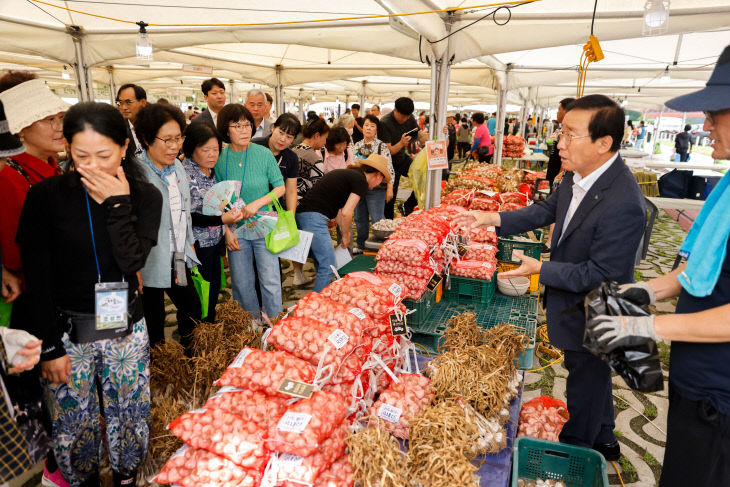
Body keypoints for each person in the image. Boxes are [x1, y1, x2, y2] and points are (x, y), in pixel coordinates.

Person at [455, 94, 646, 461]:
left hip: (596, 308)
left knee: (584, 384)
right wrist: (492, 219)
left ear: (603, 143)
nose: (559, 143)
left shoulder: (623, 202)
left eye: (570, 135)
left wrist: (541, 268)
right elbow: (546, 209)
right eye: (562, 132)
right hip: (575, 299)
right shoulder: (579, 175)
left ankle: (576, 454)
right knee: (590, 372)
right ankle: (605, 437)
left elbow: (601, 273)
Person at [585, 45, 730, 487]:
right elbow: (699, 272)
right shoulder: (726, 190)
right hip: (697, 383)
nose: (705, 125)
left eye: (716, 113)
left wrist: (646, 329)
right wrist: (642, 294)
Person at [16, 101, 162, 487]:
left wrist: (118, 204)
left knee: (130, 416)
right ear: (67, 149)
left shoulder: (146, 196)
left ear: (124, 148)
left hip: (126, 329)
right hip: (67, 333)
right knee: (72, 424)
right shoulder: (46, 197)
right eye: (81, 155)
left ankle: (127, 476)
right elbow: (37, 277)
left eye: (104, 155)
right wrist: (49, 347)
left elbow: (132, 259)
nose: (92, 165)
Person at [0, 74, 71, 487]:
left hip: (61, 297)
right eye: (48, 119)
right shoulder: (11, 176)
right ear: (22, 126)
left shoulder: (50, 168)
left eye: (59, 116)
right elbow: (14, 253)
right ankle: (52, 471)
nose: (59, 126)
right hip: (36, 303)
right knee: (43, 395)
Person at [135, 103, 201, 352]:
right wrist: (132, 266)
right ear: (146, 139)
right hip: (149, 260)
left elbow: (185, 210)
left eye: (179, 138)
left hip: (178, 257)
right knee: (153, 315)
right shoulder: (136, 174)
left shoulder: (178, 168)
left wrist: (190, 240)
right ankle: (159, 363)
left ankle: (191, 351)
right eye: (167, 140)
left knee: (190, 306)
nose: (175, 146)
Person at [215, 104, 285, 320]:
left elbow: (280, 187)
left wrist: (257, 203)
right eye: (237, 126)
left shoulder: (263, 154)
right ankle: (250, 327)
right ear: (226, 130)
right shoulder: (218, 158)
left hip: (264, 223)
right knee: (241, 281)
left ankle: (275, 326)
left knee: (270, 279)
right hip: (235, 228)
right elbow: (216, 197)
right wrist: (225, 230)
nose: (244, 130)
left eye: (247, 125)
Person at [296, 155, 390, 292]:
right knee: (329, 266)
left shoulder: (353, 176)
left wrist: (338, 224)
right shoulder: (361, 181)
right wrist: (346, 235)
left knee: (322, 264)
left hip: (306, 215)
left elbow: (340, 212)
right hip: (313, 217)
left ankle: (324, 298)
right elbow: (347, 212)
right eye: (382, 181)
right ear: (377, 175)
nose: (378, 185)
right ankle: (317, 307)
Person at [183, 123, 243, 324]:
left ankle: (207, 326)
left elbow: (216, 204)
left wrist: (225, 226)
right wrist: (221, 220)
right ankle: (196, 332)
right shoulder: (186, 175)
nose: (212, 155)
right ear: (191, 148)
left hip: (214, 242)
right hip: (197, 245)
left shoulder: (211, 171)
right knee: (199, 291)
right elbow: (190, 216)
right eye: (205, 150)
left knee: (214, 287)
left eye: (216, 149)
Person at [291, 117, 329, 286]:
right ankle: (321, 271)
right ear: (316, 135)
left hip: (288, 204)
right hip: (308, 206)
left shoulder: (291, 152)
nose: (325, 142)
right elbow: (319, 187)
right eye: (324, 138)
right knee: (313, 241)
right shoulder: (314, 157)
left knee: (295, 239)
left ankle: (297, 274)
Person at [352, 114, 395, 253]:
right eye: (366, 125)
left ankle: (381, 247)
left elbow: (389, 168)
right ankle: (361, 245)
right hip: (358, 187)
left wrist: (390, 188)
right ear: (361, 127)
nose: (368, 128)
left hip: (376, 188)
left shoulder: (381, 146)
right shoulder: (357, 145)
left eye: (372, 126)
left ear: (376, 130)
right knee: (359, 218)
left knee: (377, 219)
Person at [379, 96, 418, 219]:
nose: (405, 119)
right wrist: (401, 143)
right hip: (389, 164)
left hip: (403, 158)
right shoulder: (385, 123)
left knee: (423, 175)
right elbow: (388, 151)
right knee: (390, 196)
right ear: (395, 110)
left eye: (408, 116)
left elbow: (419, 134)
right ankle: (387, 223)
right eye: (403, 116)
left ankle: (408, 205)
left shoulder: (409, 118)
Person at [254, 113, 302, 212]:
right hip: (251, 205)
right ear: (273, 128)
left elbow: (291, 191)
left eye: (289, 137)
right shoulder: (255, 146)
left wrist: (291, 218)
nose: (283, 139)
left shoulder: (292, 158)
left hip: (275, 210)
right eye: (281, 132)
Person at [546, 97, 576, 185]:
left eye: (559, 109)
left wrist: (561, 175)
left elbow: (567, 155)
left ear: (566, 111)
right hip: (553, 172)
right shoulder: (561, 129)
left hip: (558, 176)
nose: (557, 113)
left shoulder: (569, 132)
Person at [115, 83, 147, 156]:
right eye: (120, 103)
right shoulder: (119, 130)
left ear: (143, 102)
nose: (124, 107)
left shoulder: (156, 125)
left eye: (128, 102)